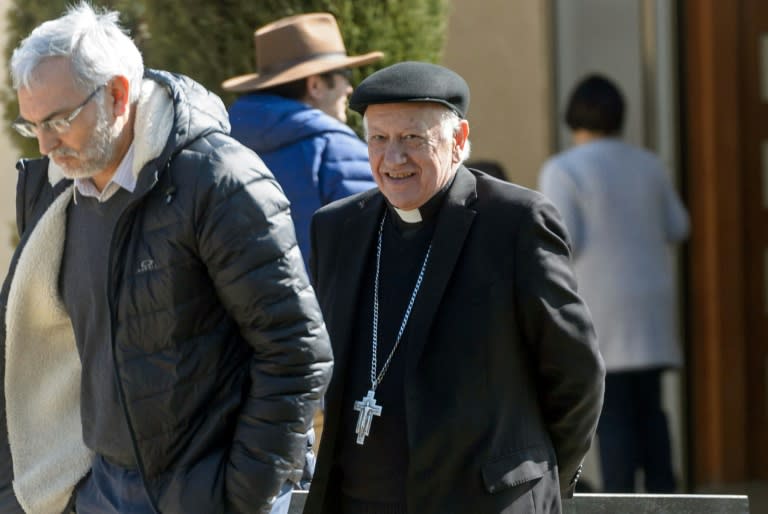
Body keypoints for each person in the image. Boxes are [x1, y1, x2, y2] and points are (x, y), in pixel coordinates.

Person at [0, 3, 333, 514]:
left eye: (59, 121)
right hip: (102, 489)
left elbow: (296, 351)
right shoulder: (59, 194)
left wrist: (241, 496)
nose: (46, 145)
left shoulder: (219, 180)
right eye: (32, 127)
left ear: (117, 94)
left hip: (212, 490)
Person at [304, 61, 605, 514]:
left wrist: (533, 476)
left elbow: (575, 373)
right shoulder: (338, 228)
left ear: (459, 140)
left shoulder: (515, 223)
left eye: (412, 139)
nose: (393, 159)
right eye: (379, 139)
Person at [538, 74, 689, 493]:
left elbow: (563, 242)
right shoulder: (649, 163)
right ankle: (666, 500)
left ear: (572, 118)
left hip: (601, 307)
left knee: (613, 416)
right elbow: (679, 226)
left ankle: (620, 501)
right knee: (652, 414)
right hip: (651, 305)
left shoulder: (564, 169)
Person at [222, 12, 382, 270]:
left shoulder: (222, 150)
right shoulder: (338, 151)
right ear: (316, 85)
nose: (350, 89)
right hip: (330, 309)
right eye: (345, 75)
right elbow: (378, 253)